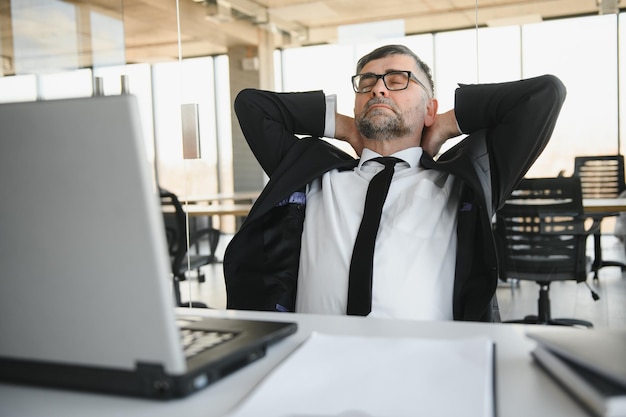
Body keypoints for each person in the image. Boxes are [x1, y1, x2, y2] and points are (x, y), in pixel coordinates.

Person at [223, 44, 566, 322]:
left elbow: (544, 95)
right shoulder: (312, 173)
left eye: (398, 79)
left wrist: (445, 125)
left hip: (426, 374)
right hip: (313, 365)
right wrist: (345, 128)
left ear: (429, 108)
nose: (379, 88)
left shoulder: (462, 180)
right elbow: (252, 105)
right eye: (367, 82)